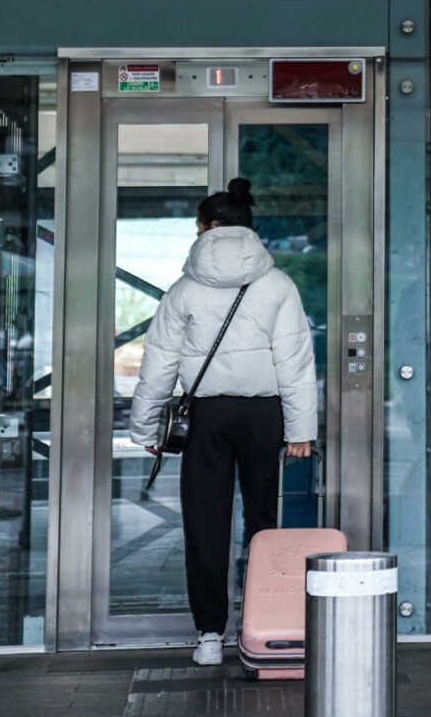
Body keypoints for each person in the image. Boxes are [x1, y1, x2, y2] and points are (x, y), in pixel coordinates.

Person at [129, 178, 318, 667]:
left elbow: (159, 363)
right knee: (264, 525)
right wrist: (300, 429)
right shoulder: (278, 284)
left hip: (205, 416)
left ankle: (209, 635)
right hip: (264, 414)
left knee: (205, 523)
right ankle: (265, 623)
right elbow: (295, 360)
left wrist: (147, 428)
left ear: (209, 227)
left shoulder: (185, 288)